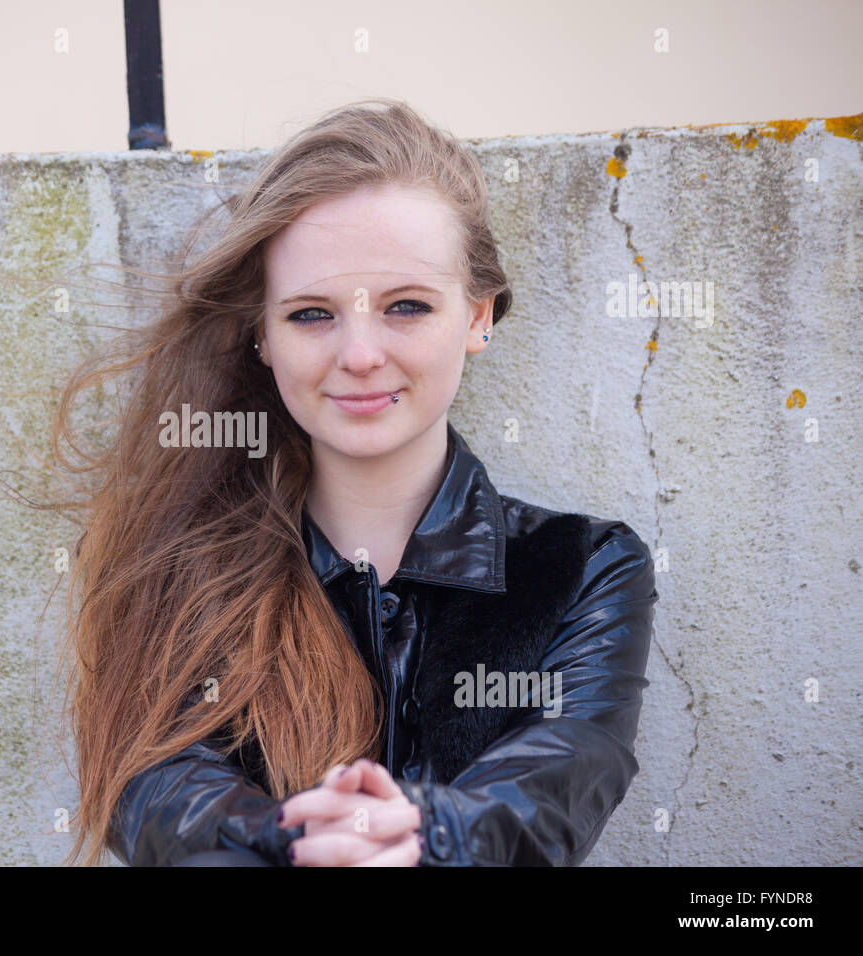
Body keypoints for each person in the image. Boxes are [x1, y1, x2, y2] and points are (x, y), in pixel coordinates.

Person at [49, 97, 658, 867]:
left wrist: (420, 832)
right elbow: (158, 790)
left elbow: (565, 772)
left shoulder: (586, 567)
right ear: (262, 336)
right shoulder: (166, 565)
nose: (361, 353)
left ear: (478, 316)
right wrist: (292, 838)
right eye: (311, 314)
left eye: (407, 306)